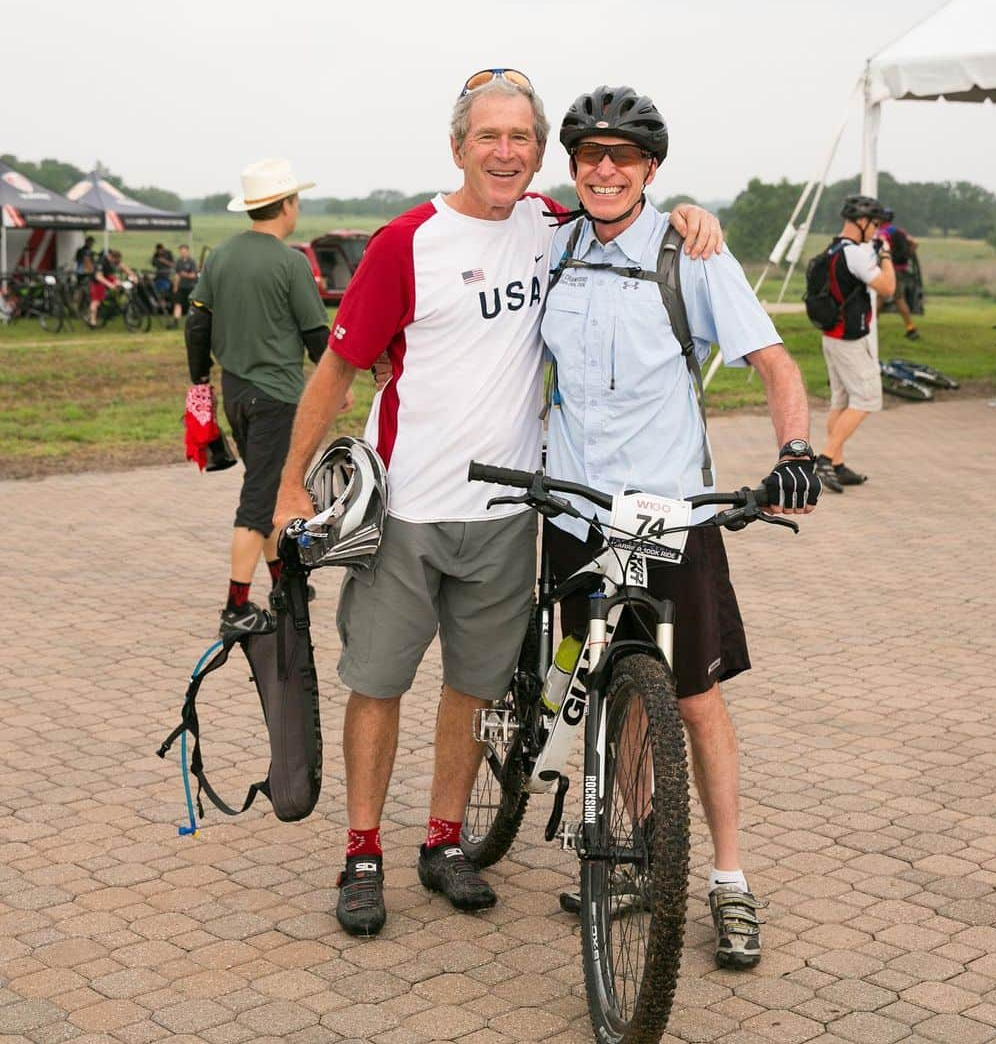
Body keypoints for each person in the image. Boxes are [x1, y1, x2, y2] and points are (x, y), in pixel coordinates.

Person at [271, 69, 722, 939]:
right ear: (458, 146)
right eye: (489, 137)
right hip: (407, 508)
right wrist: (291, 484)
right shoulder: (408, 243)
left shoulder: (553, 226)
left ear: (539, 150)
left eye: (522, 138)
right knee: (377, 684)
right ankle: (362, 853)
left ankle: (443, 843)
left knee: (473, 691)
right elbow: (335, 368)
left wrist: (697, 214)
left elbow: (638, 215)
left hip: (512, 513)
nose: (506, 153)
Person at [541, 85, 820, 971]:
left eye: (624, 156)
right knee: (607, 691)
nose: (606, 169)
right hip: (577, 515)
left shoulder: (690, 253)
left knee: (694, 700)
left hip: (669, 516)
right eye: (590, 154)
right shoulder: (552, 249)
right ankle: (632, 856)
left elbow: (774, 364)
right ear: (575, 168)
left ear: (652, 171)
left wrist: (798, 451)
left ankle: (729, 880)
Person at [185, 158, 333, 638]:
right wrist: (333, 386)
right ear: (286, 205)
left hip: (236, 394)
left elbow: (197, 324)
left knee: (267, 487)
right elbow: (316, 334)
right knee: (258, 501)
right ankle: (235, 606)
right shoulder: (291, 262)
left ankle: (284, 586)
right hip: (278, 398)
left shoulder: (221, 256)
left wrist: (199, 382)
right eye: (296, 200)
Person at [813, 195, 895, 492]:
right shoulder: (857, 254)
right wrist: (885, 255)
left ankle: (836, 463)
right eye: (875, 225)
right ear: (861, 222)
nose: (876, 230)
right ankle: (824, 459)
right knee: (867, 398)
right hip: (848, 339)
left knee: (842, 400)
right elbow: (888, 287)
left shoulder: (836, 248)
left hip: (833, 336)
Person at [879, 208, 921, 340]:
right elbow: (915, 243)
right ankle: (870, 327)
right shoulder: (899, 231)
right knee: (882, 298)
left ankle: (911, 329)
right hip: (900, 269)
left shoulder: (881, 232)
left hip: (888, 269)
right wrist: (908, 255)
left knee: (895, 299)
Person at [172, 244, 199, 329]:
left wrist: (185, 274)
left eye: (184, 251)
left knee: (192, 305)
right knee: (177, 304)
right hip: (181, 286)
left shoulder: (192, 262)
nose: (182, 253)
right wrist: (175, 286)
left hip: (190, 286)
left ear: (187, 251)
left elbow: (194, 275)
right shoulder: (178, 262)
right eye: (181, 252)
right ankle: (175, 322)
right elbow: (177, 275)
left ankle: (193, 323)